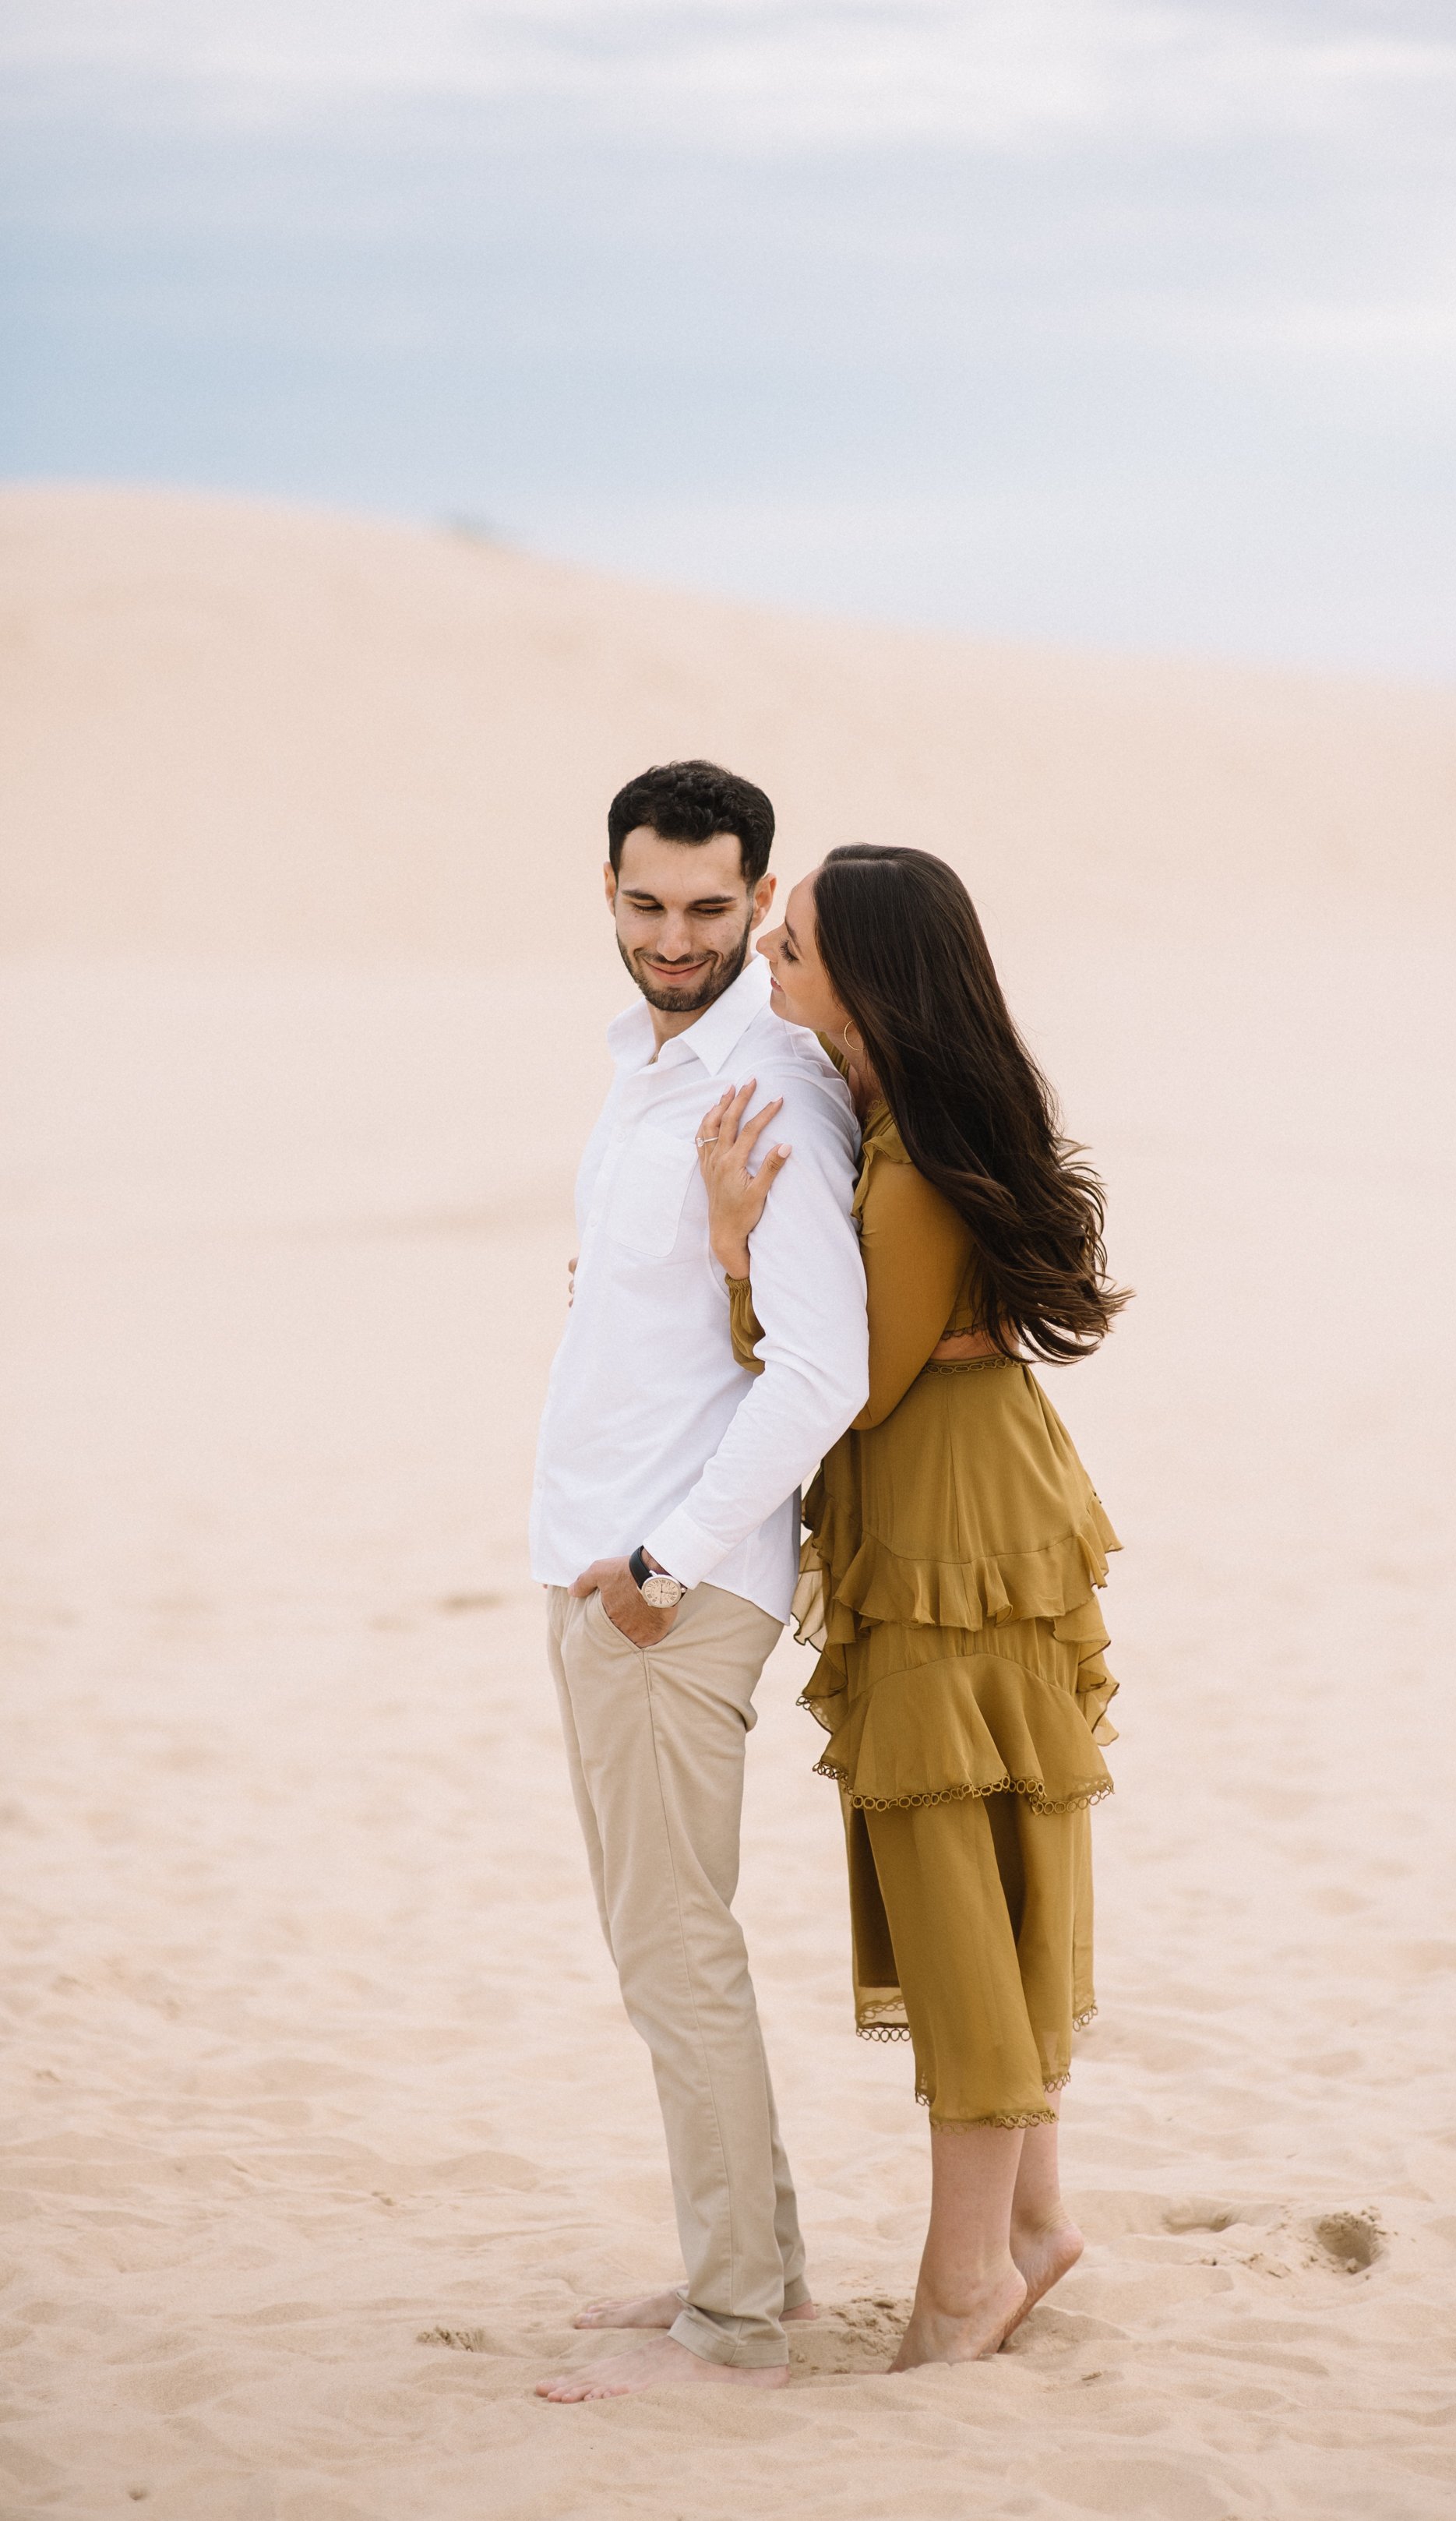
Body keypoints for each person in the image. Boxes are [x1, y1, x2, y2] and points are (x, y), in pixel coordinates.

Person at [696, 842, 1126, 2370]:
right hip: (967, 1514)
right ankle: (1029, 2228)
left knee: (958, 1899)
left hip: (956, 1539)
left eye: (795, 941)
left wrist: (740, 1256)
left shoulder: (916, 1158)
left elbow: (851, 1383)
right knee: (986, 1883)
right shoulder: (902, 1123)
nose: (769, 953)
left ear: (869, 981)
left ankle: (963, 2282)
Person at [529, 763, 869, 2403]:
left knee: (675, 1948)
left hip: (672, 1579)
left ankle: (734, 2324)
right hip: (599, 1561)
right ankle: (759, 2273)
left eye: (713, 911)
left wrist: (664, 1563)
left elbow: (821, 1371)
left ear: (761, 897)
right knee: (657, 1941)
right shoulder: (643, 1066)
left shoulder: (772, 1092)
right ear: (608, 890)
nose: (677, 940)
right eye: (650, 905)